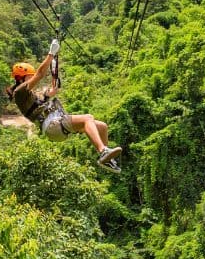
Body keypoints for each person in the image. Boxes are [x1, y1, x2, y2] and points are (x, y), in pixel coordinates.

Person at [7, 39, 122, 173]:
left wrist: (50, 93)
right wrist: (51, 53)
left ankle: (106, 158)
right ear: (21, 78)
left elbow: (43, 101)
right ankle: (103, 151)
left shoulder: (29, 96)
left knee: (102, 127)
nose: (31, 79)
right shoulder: (20, 92)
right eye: (28, 77)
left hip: (54, 126)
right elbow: (40, 74)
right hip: (53, 125)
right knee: (87, 118)